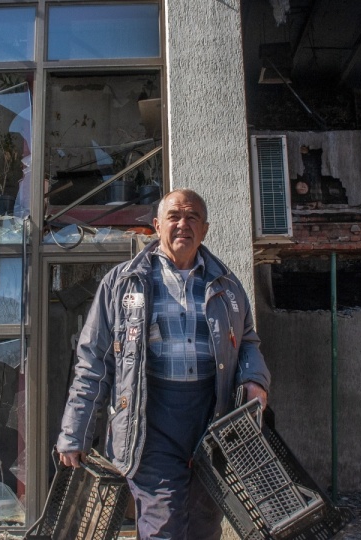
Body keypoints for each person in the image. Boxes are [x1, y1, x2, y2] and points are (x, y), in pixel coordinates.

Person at [56, 188, 271, 539]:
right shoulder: (122, 284)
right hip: (150, 425)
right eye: (174, 216)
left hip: (211, 421)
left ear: (205, 229)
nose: (182, 224)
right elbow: (93, 361)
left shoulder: (228, 287)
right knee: (162, 527)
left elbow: (247, 341)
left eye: (192, 218)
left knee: (204, 524)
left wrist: (254, 379)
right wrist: (74, 431)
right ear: (157, 226)